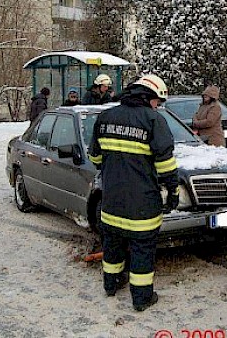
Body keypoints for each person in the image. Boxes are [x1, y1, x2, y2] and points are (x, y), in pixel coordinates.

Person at [88, 74, 179, 312]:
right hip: (142, 203)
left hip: (111, 200)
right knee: (142, 250)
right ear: (148, 97)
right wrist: (172, 191)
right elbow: (165, 164)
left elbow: (95, 157)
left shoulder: (105, 117)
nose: (157, 106)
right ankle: (141, 298)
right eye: (157, 101)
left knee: (113, 245)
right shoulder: (153, 120)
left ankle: (111, 284)